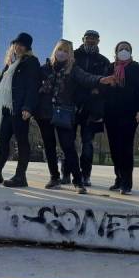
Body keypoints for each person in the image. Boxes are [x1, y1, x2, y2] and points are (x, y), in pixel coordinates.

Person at [35, 40, 113, 194]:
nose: (62, 53)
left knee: (68, 147)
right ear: (55, 51)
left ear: (70, 54)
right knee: (49, 146)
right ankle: (54, 177)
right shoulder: (44, 69)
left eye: (65, 51)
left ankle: (78, 181)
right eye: (60, 50)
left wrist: (100, 80)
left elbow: (87, 78)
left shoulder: (74, 69)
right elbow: (33, 85)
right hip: (44, 113)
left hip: (64, 112)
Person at [0, 32, 40, 188]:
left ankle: (21, 177)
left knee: (22, 142)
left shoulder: (31, 62)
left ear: (27, 48)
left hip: (20, 109)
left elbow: (32, 86)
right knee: (4, 142)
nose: (18, 47)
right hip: (7, 108)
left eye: (22, 45)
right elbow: (1, 83)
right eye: (16, 44)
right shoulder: (11, 63)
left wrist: (28, 107)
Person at [62, 30, 110, 186]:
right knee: (68, 142)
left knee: (88, 144)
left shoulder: (104, 61)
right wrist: (92, 85)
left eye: (94, 38)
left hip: (93, 108)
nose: (91, 40)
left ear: (98, 41)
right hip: (72, 104)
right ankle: (66, 173)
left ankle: (86, 174)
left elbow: (106, 85)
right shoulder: (73, 56)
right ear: (82, 39)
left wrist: (97, 88)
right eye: (88, 37)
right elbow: (70, 78)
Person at [103, 41, 139, 195]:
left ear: (131, 51)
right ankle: (119, 178)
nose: (124, 51)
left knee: (126, 148)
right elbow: (102, 87)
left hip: (129, 114)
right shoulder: (110, 67)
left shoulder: (136, 68)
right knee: (114, 148)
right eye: (121, 49)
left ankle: (127, 183)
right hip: (111, 114)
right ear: (115, 51)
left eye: (126, 49)